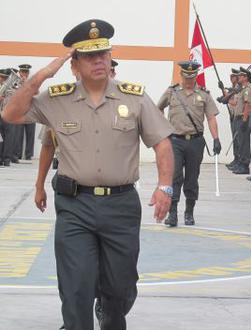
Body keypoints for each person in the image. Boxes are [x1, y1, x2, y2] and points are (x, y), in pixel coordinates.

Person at [2, 19, 174, 329]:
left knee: (120, 288)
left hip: (121, 206)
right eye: (90, 56)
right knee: (76, 286)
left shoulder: (134, 98)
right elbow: (10, 113)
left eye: (104, 54)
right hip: (75, 205)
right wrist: (40, 76)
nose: (99, 60)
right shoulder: (56, 99)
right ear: (75, 65)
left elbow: (161, 142)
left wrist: (165, 187)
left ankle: (109, 310)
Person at [157, 60, 221, 227]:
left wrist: (216, 139)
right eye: (186, 77)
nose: (189, 81)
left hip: (195, 142)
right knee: (175, 178)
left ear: (195, 77)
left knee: (192, 179)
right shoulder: (172, 92)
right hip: (175, 142)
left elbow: (211, 118)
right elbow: (158, 108)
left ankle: (189, 212)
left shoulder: (204, 94)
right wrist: (162, 129)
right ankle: (172, 214)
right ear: (181, 75)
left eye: (192, 78)